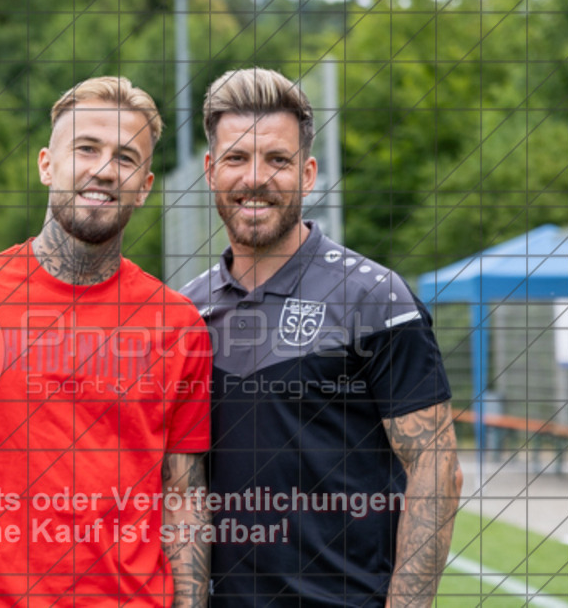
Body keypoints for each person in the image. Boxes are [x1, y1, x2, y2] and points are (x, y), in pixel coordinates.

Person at [0, 76, 213, 607]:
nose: (103, 170)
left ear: (145, 186)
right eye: (86, 148)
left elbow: (184, 492)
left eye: (125, 158)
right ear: (46, 165)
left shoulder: (178, 324)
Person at [181, 67, 462, 607]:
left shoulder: (377, 299)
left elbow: (436, 467)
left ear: (308, 174)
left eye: (277, 160)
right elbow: (184, 486)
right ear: (211, 171)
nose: (255, 178)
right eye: (237, 159)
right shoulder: (184, 313)